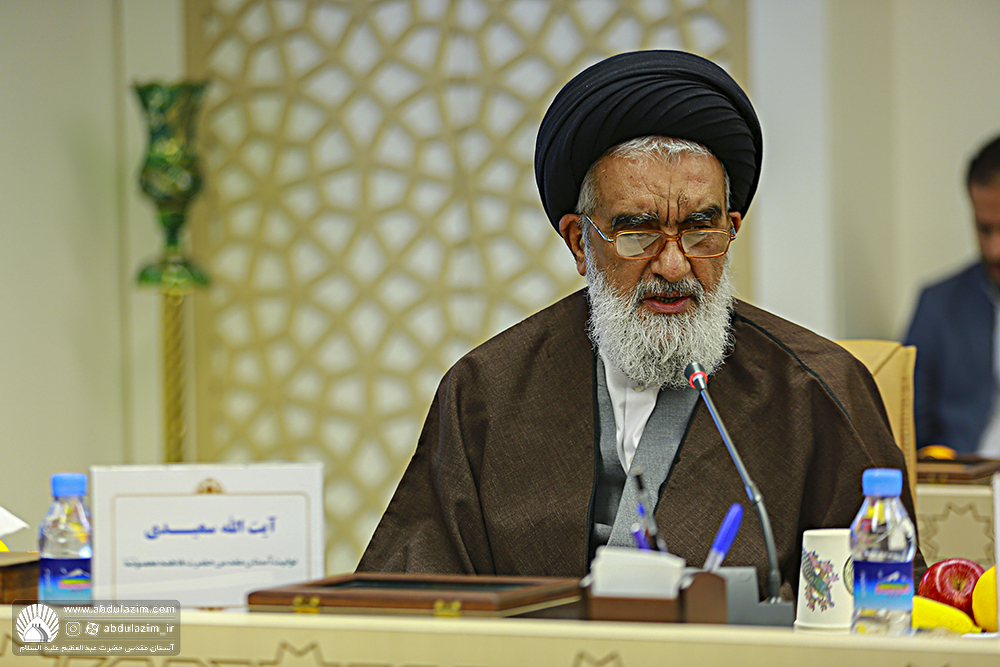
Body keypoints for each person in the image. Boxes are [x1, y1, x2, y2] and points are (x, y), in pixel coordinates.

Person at [357, 50, 919, 599]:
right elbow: (410, 595)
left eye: (701, 230)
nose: (673, 265)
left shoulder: (815, 390)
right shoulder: (488, 392)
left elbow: (889, 604)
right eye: (638, 233)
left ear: (731, 227)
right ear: (580, 242)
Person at [904, 135, 1000, 456]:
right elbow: (908, 426)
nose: (994, 250)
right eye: (984, 230)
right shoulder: (939, 305)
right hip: (964, 478)